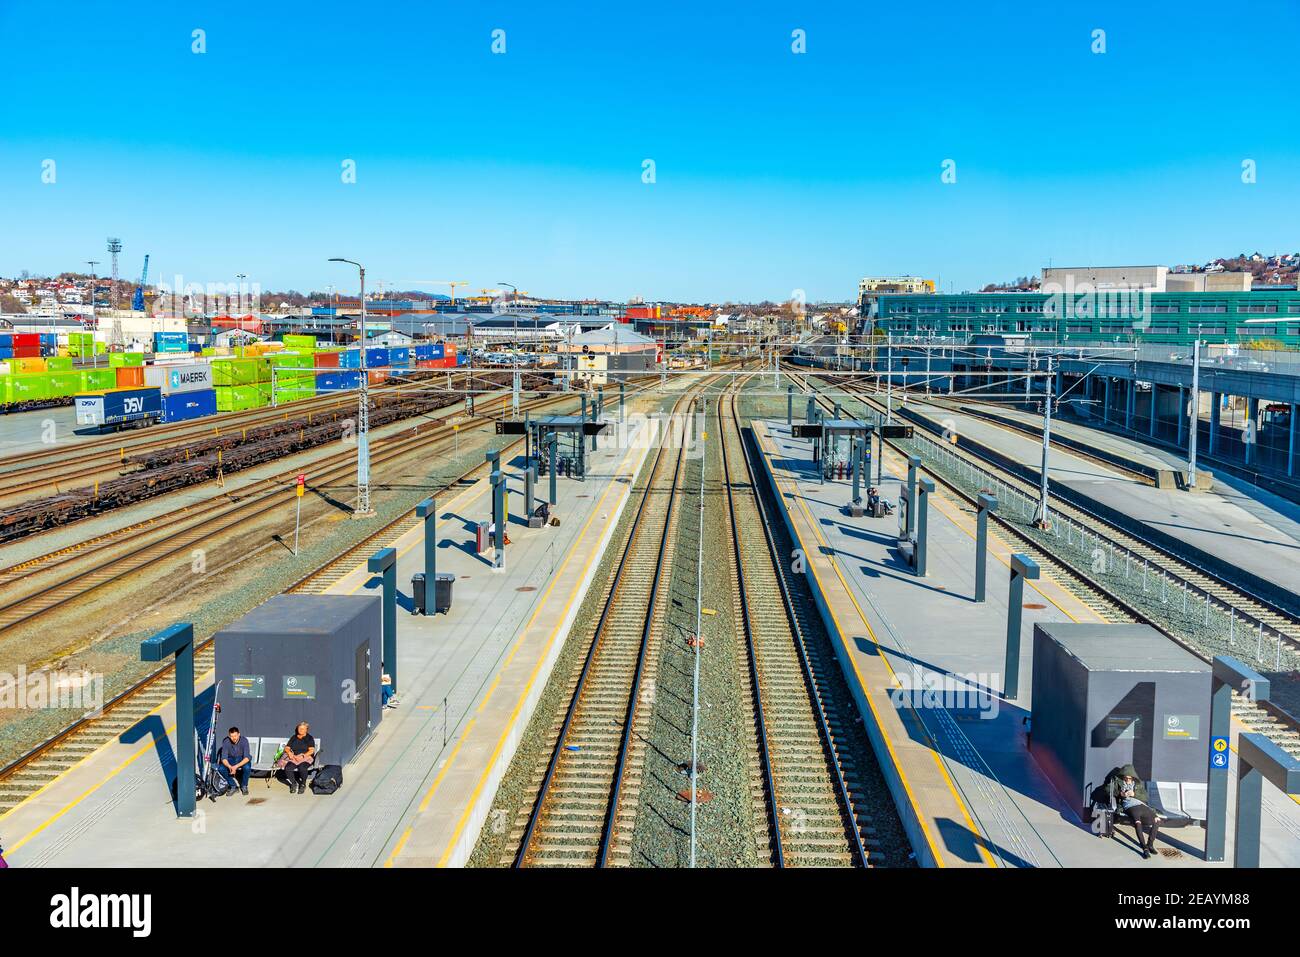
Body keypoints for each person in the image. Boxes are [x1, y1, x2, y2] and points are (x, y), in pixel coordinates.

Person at [1103, 764, 1162, 859]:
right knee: (1137, 823)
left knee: (1157, 820)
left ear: (1133, 777)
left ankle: (1150, 845)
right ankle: (1144, 849)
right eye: (1126, 778)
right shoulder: (1117, 780)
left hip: (1141, 804)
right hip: (1129, 806)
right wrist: (1121, 793)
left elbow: (1145, 797)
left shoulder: (1138, 783)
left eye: (1129, 778)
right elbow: (1107, 790)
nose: (1127, 780)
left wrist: (1134, 794)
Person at [282, 721, 316, 794]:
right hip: (294, 757)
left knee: (302, 767)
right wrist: (289, 753)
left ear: (306, 729)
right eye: (299, 728)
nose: (300, 730)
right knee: (288, 768)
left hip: (306, 757)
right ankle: (294, 783)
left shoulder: (309, 738)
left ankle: (303, 784)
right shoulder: (294, 737)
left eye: (303, 729)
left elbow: (311, 751)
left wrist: (303, 756)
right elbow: (287, 748)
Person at [215, 726, 251, 795]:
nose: (234, 738)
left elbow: (247, 757)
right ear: (229, 736)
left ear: (239, 734)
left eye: (235, 736)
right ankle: (233, 786)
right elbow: (224, 758)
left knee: (247, 767)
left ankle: (244, 785)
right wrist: (229, 766)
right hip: (230, 759)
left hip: (242, 758)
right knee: (221, 768)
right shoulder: (226, 741)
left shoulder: (244, 740)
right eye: (231, 736)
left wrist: (235, 767)